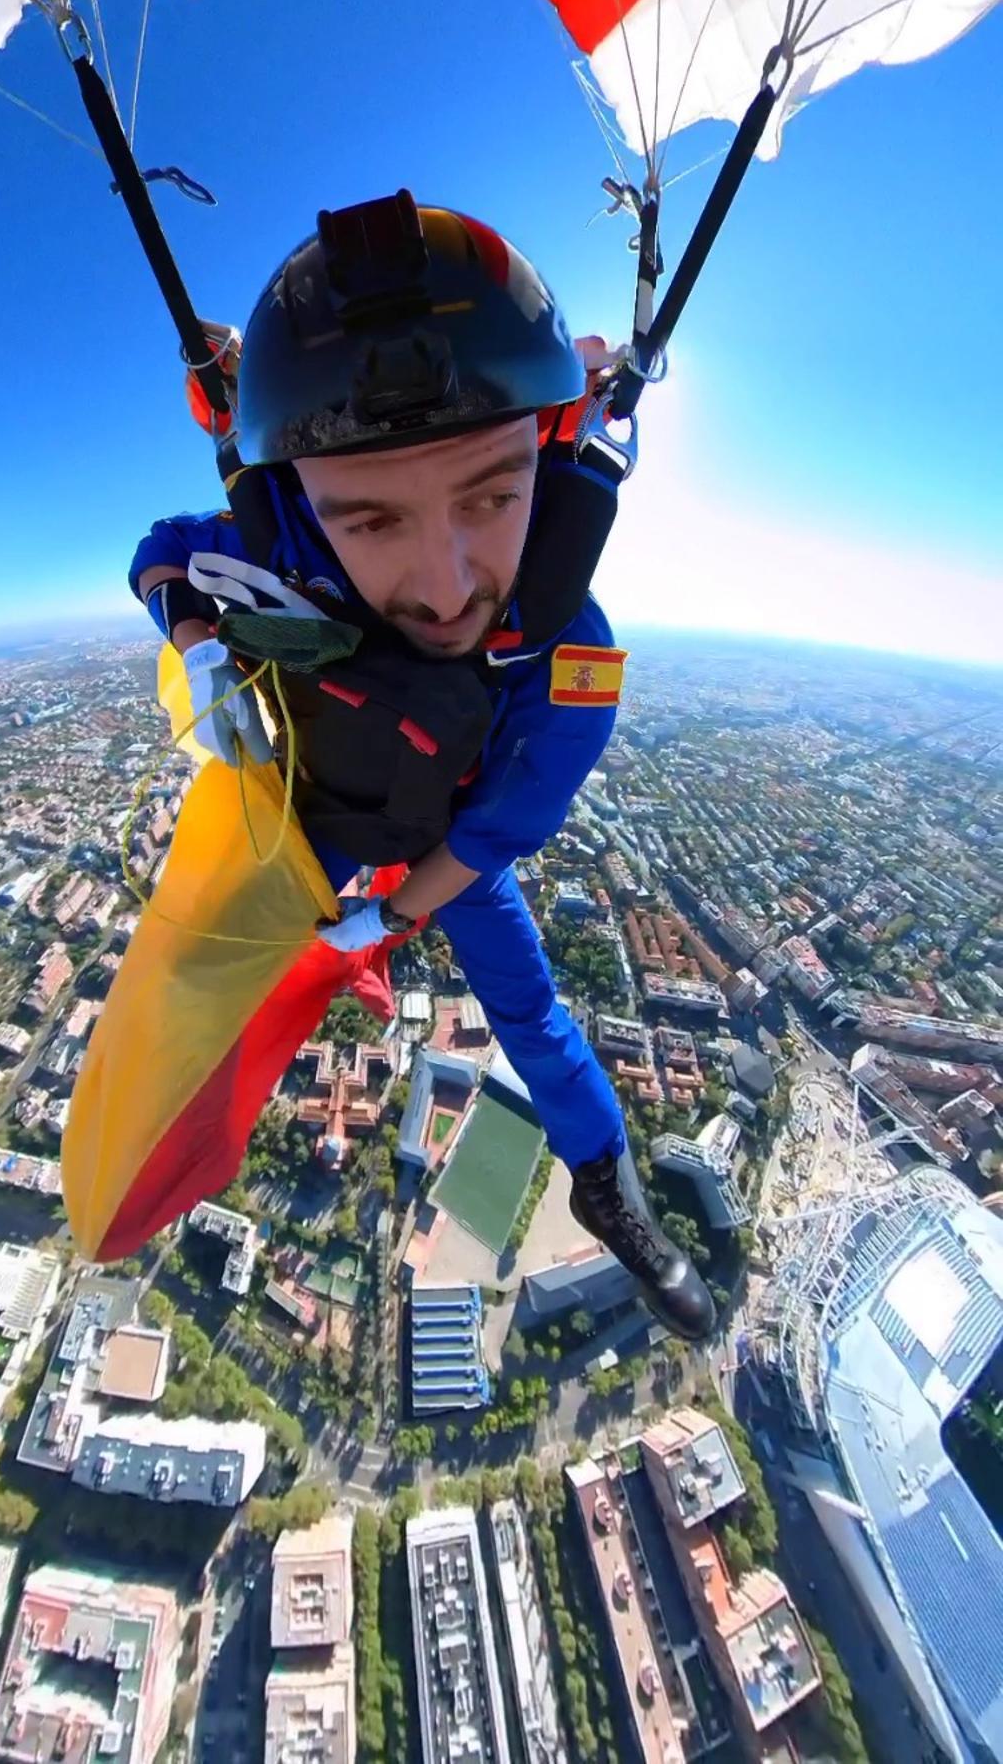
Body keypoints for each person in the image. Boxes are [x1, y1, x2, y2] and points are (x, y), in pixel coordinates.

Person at [130, 191, 715, 1343]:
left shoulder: (572, 662)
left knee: (534, 1017)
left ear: (553, 473)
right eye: (373, 520)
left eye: (492, 495)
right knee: (194, 980)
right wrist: (194, 642)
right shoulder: (280, 539)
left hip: (444, 844)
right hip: (322, 818)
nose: (445, 586)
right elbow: (163, 557)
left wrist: (387, 920)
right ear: (306, 501)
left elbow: (490, 837)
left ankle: (610, 1192)